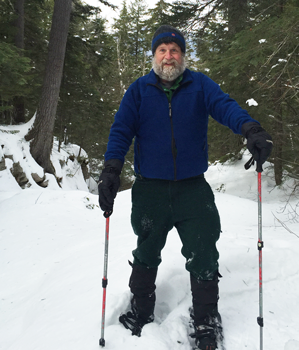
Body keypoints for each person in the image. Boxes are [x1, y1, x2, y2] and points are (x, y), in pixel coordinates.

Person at [98, 25, 273, 350]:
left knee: (204, 249)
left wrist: (250, 127)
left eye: (174, 50)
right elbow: (121, 130)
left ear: (182, 55)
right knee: (147, 249)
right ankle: (141, 309)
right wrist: (111, 168)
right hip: (150, 188)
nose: (169, 55)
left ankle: (205, 318)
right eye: (162, 50)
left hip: (193, 189)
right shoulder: (138, 91)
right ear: (154, 56)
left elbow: (225, 106)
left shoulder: (199, 85)